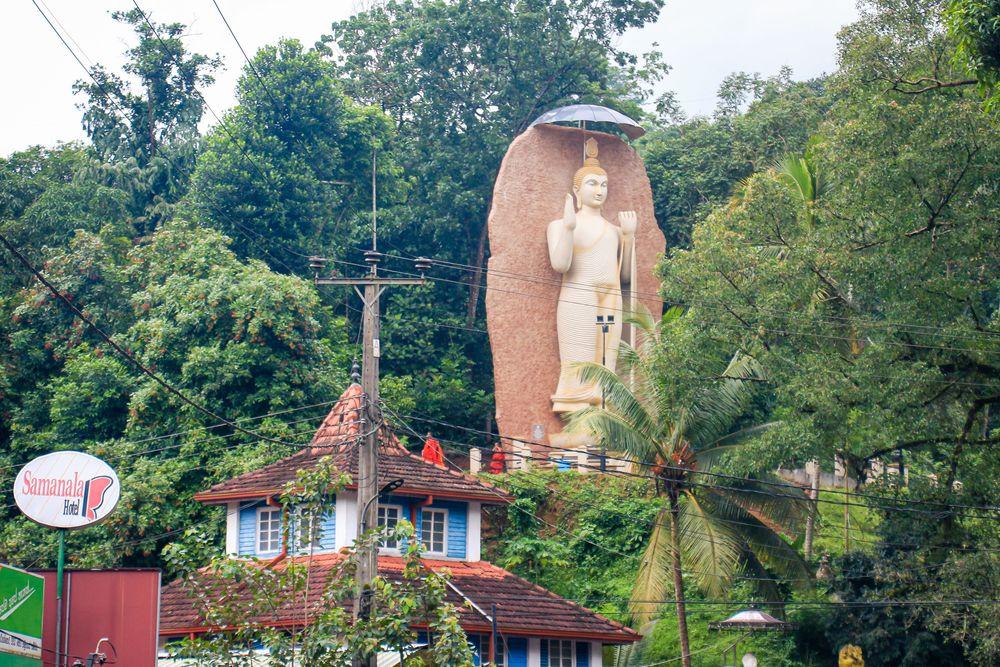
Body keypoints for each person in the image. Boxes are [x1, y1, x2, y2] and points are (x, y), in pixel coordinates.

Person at [546, 137, 636, 413]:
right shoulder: (559, 224)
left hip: (609, 298)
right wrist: (569, 229)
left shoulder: (613, 230)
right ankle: (575, 413)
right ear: (577, 189)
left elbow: (624, 278)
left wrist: (629, 237)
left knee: (606, 361)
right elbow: (560, 264)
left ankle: (603, 414)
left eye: (604, 184)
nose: (600, 190)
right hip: (579, 297)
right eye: (592, 183)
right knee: (580, 360)